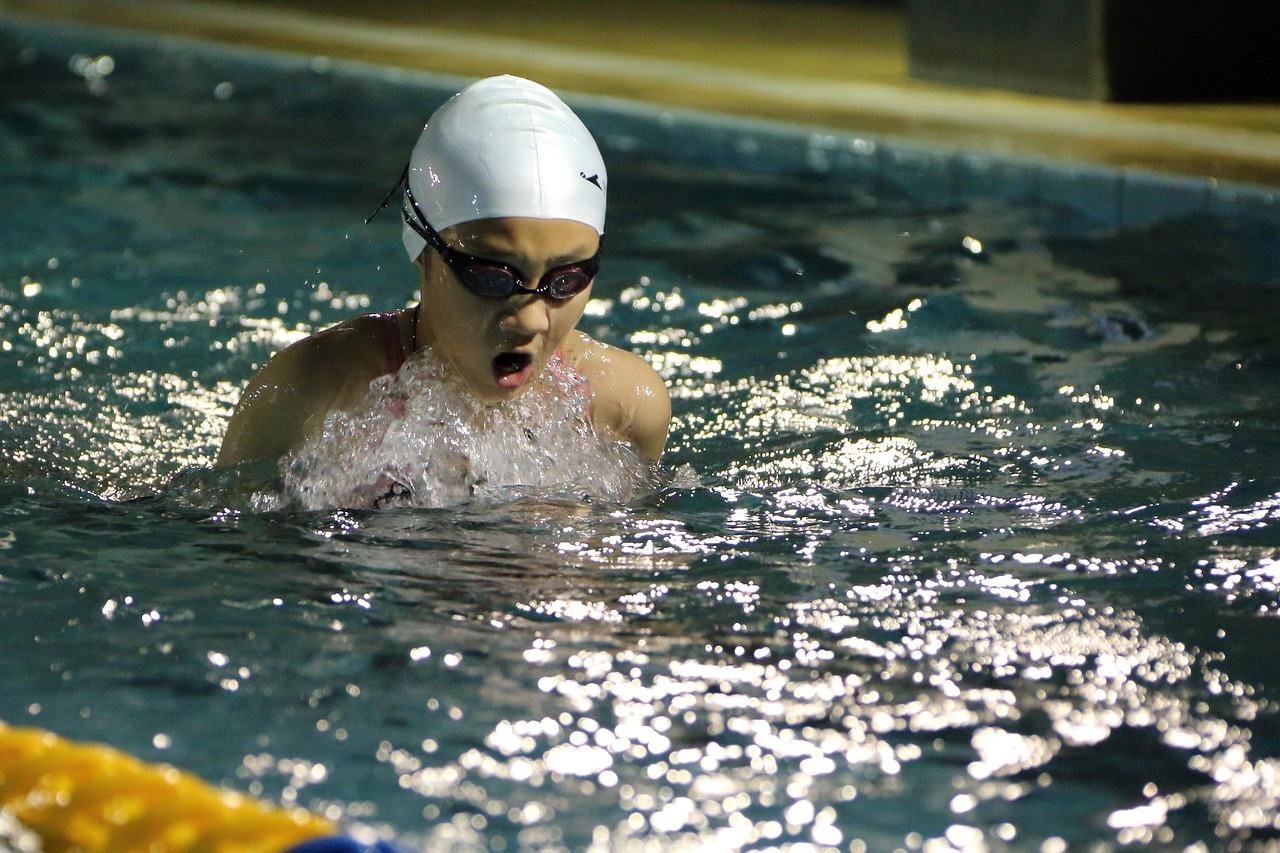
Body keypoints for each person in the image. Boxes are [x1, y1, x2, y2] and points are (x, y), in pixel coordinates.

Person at [216, 75, 670, 497]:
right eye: (493, 277)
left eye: (566, 279)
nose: (531, 317)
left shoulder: (623, 405)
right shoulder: (310, 392)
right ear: (422, 249)